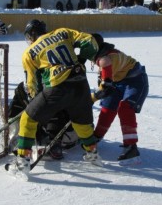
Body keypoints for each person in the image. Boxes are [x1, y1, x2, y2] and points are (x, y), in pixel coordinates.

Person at [8, 20, 102, 174]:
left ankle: (22, 161)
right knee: (81, 124)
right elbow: (90, 41)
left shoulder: (30, 52)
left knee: (28, 118)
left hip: (58, 87)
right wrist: (81, 59)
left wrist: (35, 101)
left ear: (31, 34)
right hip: (81, 84)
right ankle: (93, 154)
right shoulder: (62, 32)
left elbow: (32, 84)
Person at [90, 34, 149, 165]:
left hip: (135, 80)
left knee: (125, 108)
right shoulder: (100, 55)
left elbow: (104, 87)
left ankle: (131, 147)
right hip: (117, 81)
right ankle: (96, 136)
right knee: (107, 107)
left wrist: (90, 99)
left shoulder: (106, 59)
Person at [8, 82, 78, 160]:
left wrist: (53, 141)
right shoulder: (22, 89)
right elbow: (14, 111)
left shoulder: (54, 89)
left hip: (69, 127)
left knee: (66, 139)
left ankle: (54, 143)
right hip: (42, 123)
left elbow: (59, 115)